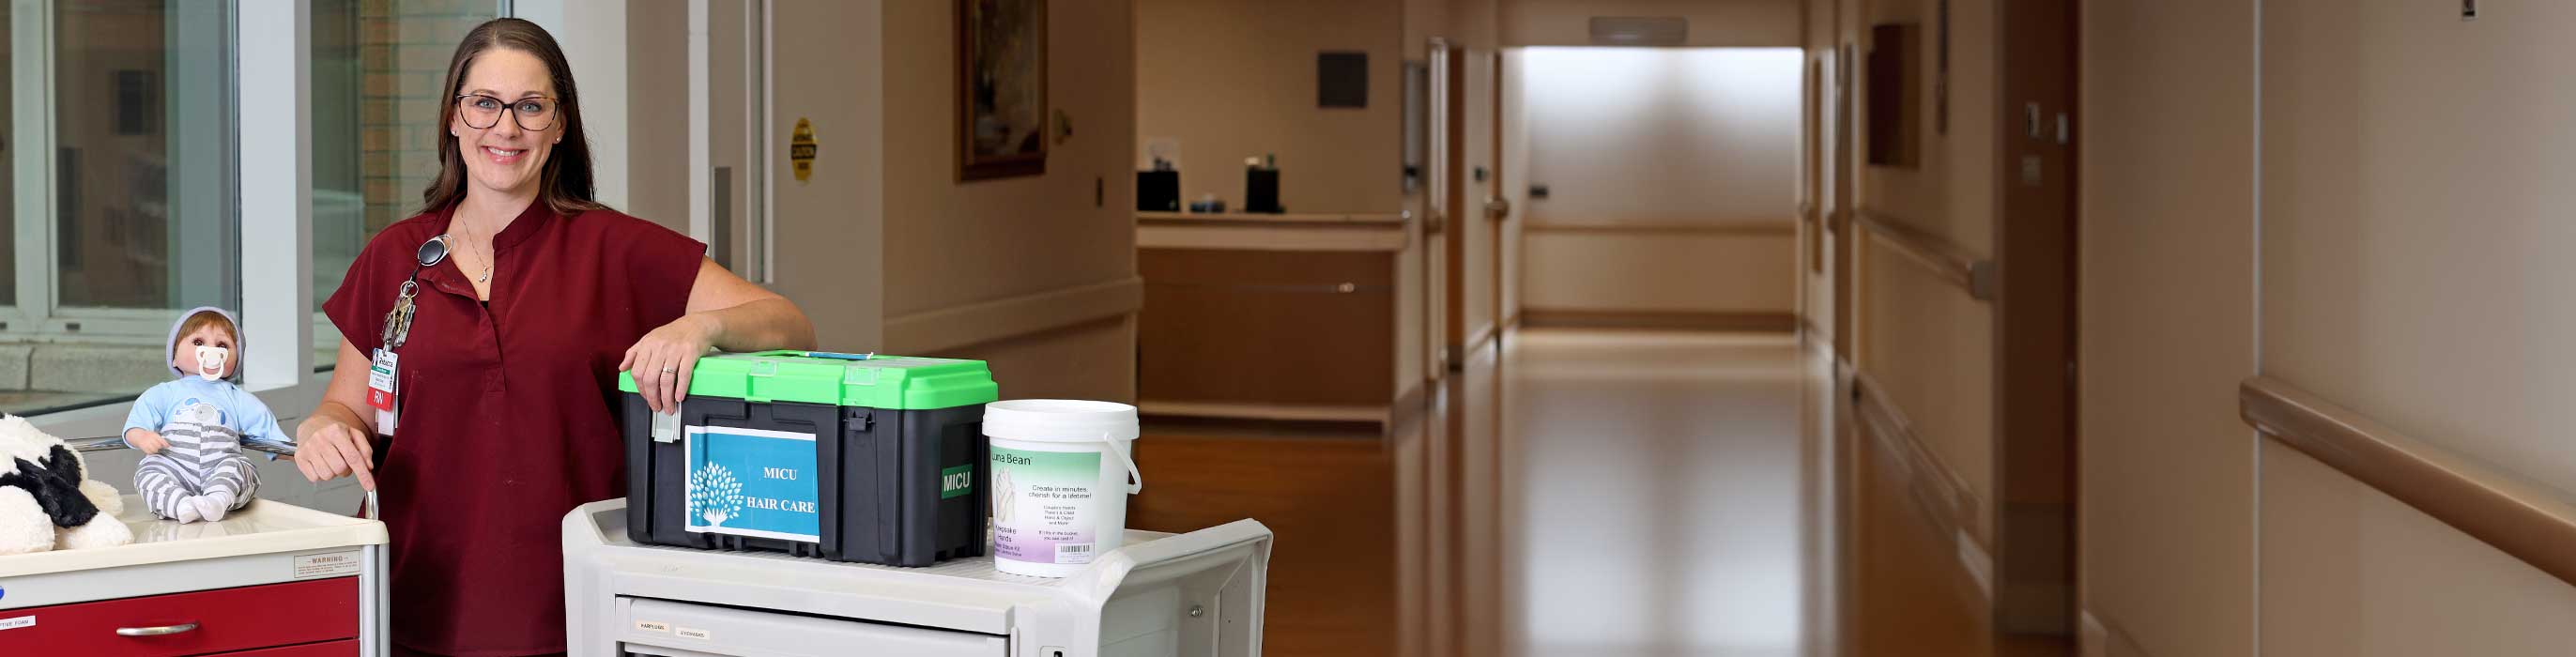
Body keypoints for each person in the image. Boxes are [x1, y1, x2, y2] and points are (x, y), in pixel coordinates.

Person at [293, 18, 814, 656]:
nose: (505, 128)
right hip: (413, 604)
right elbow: (347, 407)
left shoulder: (617, 249)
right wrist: (323, 429)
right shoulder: (396, 257)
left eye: (530, 107)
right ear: (453, 118)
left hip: (574, 609)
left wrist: (701, 326)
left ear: (560, 124)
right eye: (484, 103)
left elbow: (789, 322)